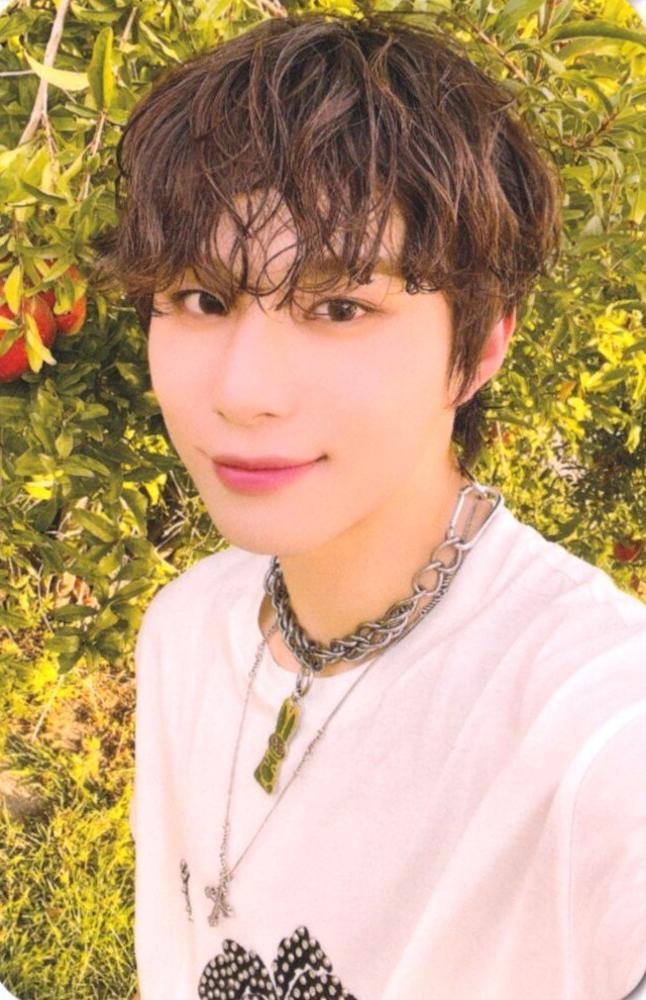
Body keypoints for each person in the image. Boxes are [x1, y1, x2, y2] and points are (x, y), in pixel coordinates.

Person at [91, 10, 646, 1000]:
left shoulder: (593, 725)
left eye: (339, 307)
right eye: (202, 299)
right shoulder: (184, 627)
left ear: (480, 346)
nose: (243, 391)